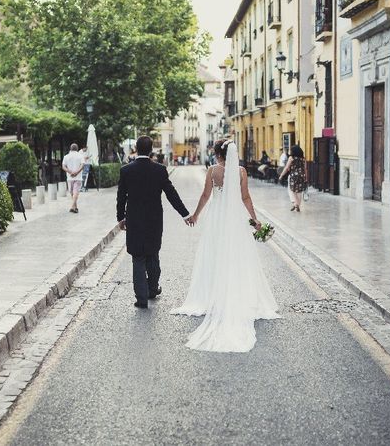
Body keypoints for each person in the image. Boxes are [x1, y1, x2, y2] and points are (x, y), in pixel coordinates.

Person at [171, 139, 281, 353]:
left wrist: (195, 215)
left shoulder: (212, 171)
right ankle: (239, 293)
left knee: (214, 254)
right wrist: (254, 220)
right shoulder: (240, 171)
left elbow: (205, 195)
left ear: (217, 154)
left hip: (217, 218)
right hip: (235, 218)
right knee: (238, 257)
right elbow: (246, 197)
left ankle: (212, 295)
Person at [116, 136, 191, 309]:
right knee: (153, 253)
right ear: (151, 150)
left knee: (138, 257)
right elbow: (171, 194)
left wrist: (121, 218)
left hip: (134, 219)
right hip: (154, 219)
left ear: (136, 148)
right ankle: (152, 289)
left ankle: (141, 299)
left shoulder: (126, 170)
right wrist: (185, 214)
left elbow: (121, 197)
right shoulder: (160, 170)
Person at [278, 145, 308, 212]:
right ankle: (297, 205)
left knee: (292, 190)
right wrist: (306, 178)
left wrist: (281, 175)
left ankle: (296, 204)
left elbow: (286, 168)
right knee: (299, 191)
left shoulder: (291, 158)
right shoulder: (303, 159)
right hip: (302, 176)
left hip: (293, 176)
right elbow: (305, 169)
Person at [62, 143, 85, 213]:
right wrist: (76, 172)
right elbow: (82, 165)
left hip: (69, 178)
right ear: (77, 149)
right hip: (78, 178)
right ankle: (75, 207)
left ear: (70, 149)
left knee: (72, 193)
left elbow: (63, 166)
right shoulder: (80, 156)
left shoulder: (66, 156)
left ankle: (72, 207)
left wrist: (70, 172)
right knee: (75, 193)